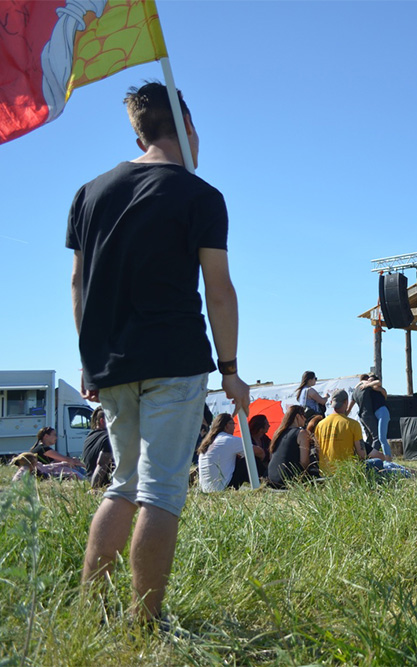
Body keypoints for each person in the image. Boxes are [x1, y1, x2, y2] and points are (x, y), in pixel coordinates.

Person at [73, 82, 250, 623]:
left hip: (111, 363)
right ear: (188, 126)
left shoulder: (90, 192)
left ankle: (91, 610)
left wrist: (89, 359)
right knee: (162, 490)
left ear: (138, 131)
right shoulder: (200, 196)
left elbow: (79, 282)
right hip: (174, 359)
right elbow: (217, 289)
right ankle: (147, 621)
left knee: (122, 483)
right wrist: (231, 370)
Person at [315, 390, 411, 478]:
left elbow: (318, 452)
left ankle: (411, 472)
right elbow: (362, 454)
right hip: (348, 474)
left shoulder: (320, 425)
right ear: (346, 402)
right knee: (379, 463)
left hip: (325, 474)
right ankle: (410, 474)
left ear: (331, 403)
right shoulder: (352, 424)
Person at [198, 413, 254, 492]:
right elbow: (257, 451)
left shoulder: (207, 442)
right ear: (227, 425)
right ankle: (262, 481)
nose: (234, 427)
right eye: (233, 424)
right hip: (224, 487)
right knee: (250, 457)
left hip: (206, 489)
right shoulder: (228, 439)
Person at [267, 405, 313, 488]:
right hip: (288, 479)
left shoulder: (277, 433)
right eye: (304, 416)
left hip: (271, 478)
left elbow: (272, 458)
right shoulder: (301, 433)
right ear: (297, 416)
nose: (305, 419)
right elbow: (304, 462)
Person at [81, 407, 114, 488]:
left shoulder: (90, 436)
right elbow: (101, 464)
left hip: (89, 479)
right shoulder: (108, 438)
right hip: (103, 484)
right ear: (102, 421)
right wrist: (94, 489)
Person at [10, 452, 87, 481]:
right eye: (35, 462)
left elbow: (48, 467)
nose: (37, 463)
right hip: (45, 477)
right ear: (31, 463)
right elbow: (45, 474)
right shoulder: (27, 471)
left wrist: (64, 463)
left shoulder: (32, 469)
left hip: (45, 476)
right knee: (72, 474)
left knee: (71, 473)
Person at [247, 414, 271, 480]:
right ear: (260, 428)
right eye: (267, 424)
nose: (269, 426)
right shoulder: (248, 440)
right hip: (253, 471)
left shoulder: (265, 438)